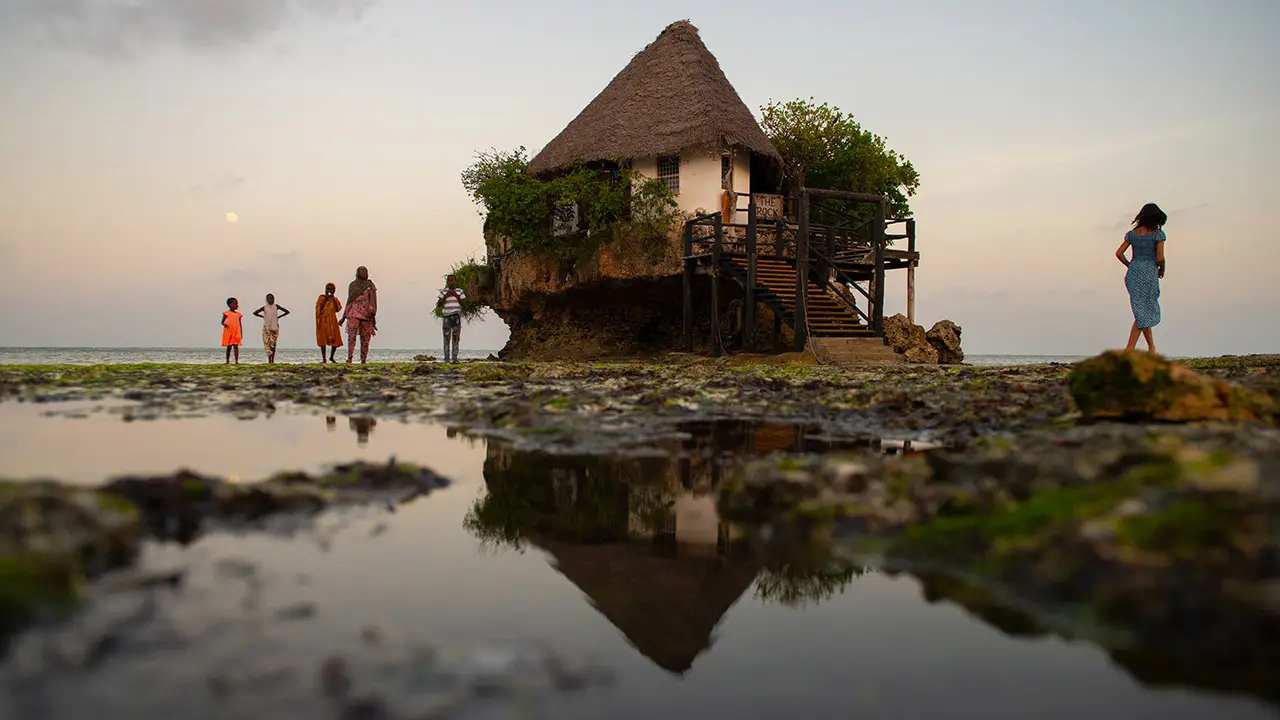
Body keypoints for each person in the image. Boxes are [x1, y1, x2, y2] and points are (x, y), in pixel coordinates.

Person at [1115, 202, 1168, 353]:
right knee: (1143, 311)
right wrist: (1161, 270)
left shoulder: (1132, 234)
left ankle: (1152, 348)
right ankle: (1129, 349)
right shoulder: (1158, 234)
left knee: (1141, 310)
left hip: (1133, 273)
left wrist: (1131, 266)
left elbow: (1119, 254)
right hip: (1149, 273)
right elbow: (1160, 257)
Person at [340, 266, 377, 364]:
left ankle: (363, 359)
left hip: (367, 315)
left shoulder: (370, 285)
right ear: (357, 273)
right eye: (362, 271)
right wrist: (343, 317)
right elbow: (349, 301)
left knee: (365, 339)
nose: (364, 273)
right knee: (351, 337)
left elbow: (373, 300)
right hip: (353, 313)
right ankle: (350, 357)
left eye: (366, 271)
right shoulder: (352, 285)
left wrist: (373, 314)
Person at [253, 293, 291, 365]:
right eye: (269, 299)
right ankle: (269, 359)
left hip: (274, 327)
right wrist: (263, 316)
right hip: (267, 328)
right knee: (267, 344)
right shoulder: (265, 308)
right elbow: (255, 313)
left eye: (272, 298)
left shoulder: (276, 306)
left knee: (273, 344)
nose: (271, 300)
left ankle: (272, 360)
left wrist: (278, 317)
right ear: (267, 300)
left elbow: (287, 312)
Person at [437, 274, 466, 363]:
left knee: (456, 338)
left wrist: (456, 296)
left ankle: (455, 358)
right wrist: (446, 296)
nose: (450, 282)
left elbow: (464, 303)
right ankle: (446, 359)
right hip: (446, 317)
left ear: (455, 281)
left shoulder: (460, 291)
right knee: (446, 338)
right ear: (447, 282)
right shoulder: (443, 292)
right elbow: (439, 304)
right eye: (449, 280)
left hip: (456, 316)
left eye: (452, 280)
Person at [315, 282, 343, 364]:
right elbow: (318, 309)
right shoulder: (321, 297)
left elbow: (338, 309)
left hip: (332, 321)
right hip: (323, 321)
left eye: (331, 289)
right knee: (323, 339)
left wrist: (333, 299)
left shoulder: (335, 299)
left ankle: (331, 357)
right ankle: (324, 358)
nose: (330, 291)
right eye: (328, 289)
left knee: (335, 339)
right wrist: (325, 299)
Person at [221, 297, 243, 365]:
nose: (237, 305)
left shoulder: (238, 314)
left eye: (237, 303)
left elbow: (240, 324)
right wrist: (224, 324)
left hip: (236, 332)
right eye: (235, 303)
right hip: (229, 332)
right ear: (230, 305)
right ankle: (227, 360)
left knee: (236, 346)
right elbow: (222, 322)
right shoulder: (226, 313)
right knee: (229, 347)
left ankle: (236, 361)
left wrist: (241, 333)